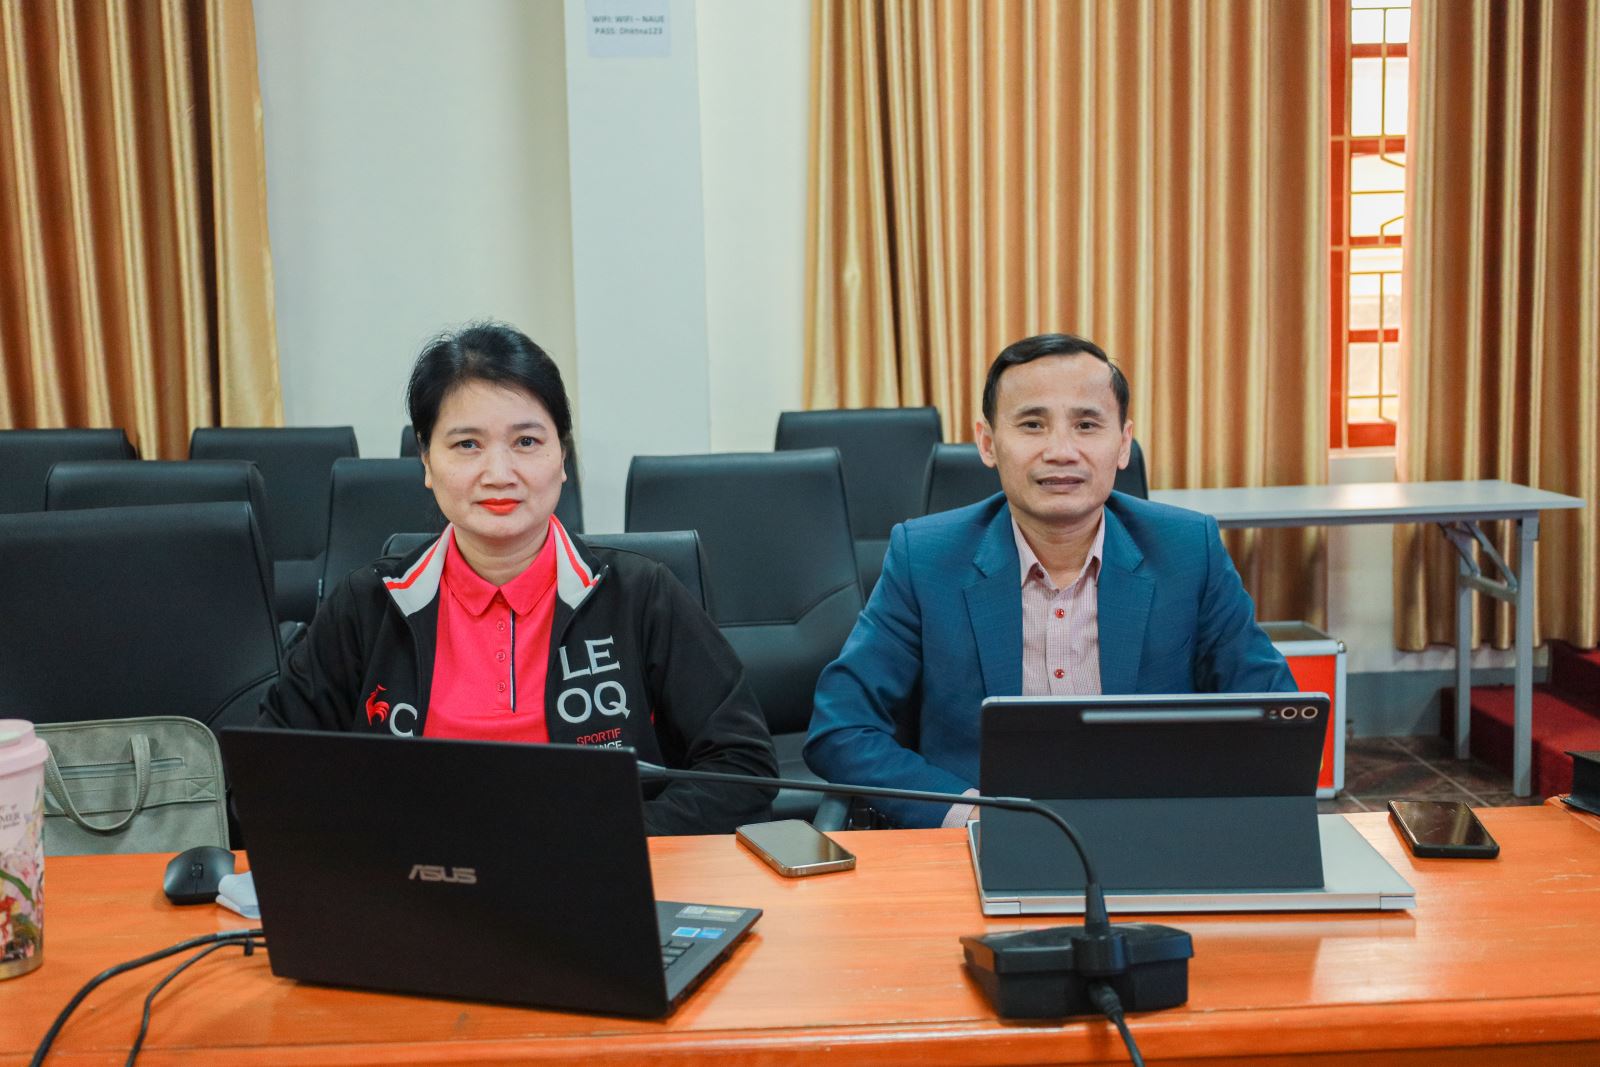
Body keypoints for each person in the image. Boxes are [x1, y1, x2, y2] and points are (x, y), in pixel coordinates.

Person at [259, 322, 777, 834]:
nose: (499, 474)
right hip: (417, 877)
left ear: (562, 456)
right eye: (467, 445)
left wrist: (616, 838)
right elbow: (268, 775)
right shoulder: (368, 606)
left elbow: (742, 766)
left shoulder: (641, 595)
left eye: (526, 441)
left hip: (593, 874)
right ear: (426, 460)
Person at [804, 332, 1295, 828]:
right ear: (988, 443)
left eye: (1086, 425)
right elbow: (841, 728)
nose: (1061, 451)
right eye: (1033, 425)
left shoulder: (1188, 550)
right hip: (976, 843)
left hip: (1151, 835)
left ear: (1123, 443)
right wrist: (968, 814)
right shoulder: (925, 558)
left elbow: (1277, 717)